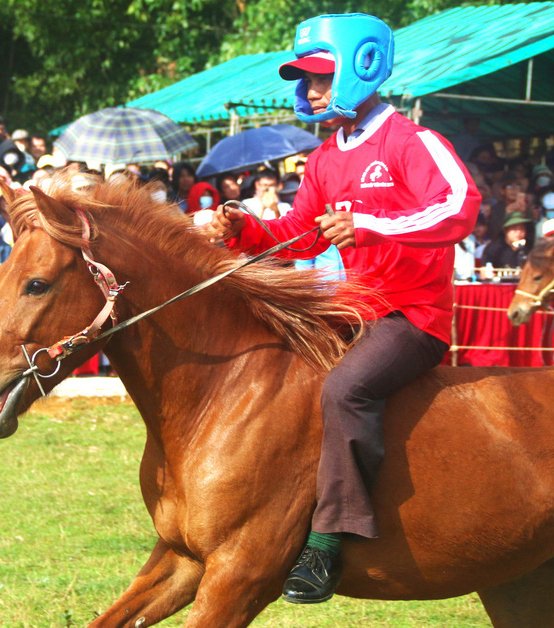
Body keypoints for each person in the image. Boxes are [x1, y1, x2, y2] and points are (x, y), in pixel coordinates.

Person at [201, 13, 480, 604]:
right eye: (303, 79)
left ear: (363, 68)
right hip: (354, 312)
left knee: (345, 389)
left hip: (413, 318)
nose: (308, 90)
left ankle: (329, 543)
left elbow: (460, 207)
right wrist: (243, 226)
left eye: (319, 76)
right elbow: (300, 237)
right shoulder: (326, 157)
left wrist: (370, 224)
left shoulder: (413, 140)